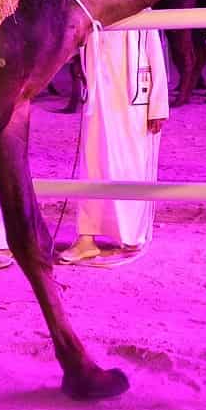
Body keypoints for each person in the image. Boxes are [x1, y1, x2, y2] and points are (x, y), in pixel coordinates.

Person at [59, 21, 170, 266]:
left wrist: (158, 104)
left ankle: (131, 236)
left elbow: (155, 52)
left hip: (133, 103)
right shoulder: (94, 11)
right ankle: (86, 238)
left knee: (130, 165)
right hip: (99, 99)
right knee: (93, 164)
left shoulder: (142, 12)